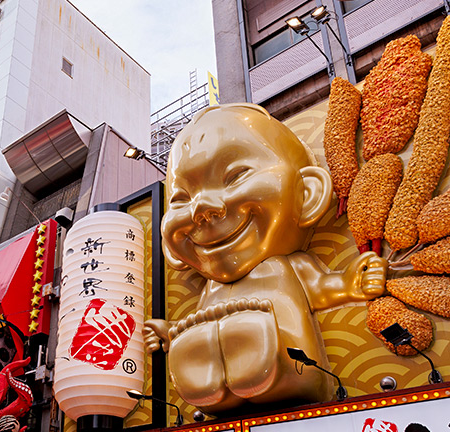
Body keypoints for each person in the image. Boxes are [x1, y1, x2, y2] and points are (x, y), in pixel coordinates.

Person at [144, 103, 387, 415]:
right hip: (212, 383)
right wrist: (170, 332)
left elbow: (322, 287)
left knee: (255, 339)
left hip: (287, 366)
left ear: (307, 194)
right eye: (181, 199)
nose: (200, 208)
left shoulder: (285, 268)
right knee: (203, 337)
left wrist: (350, 283)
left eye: (235, 176)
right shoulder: (212, 288)